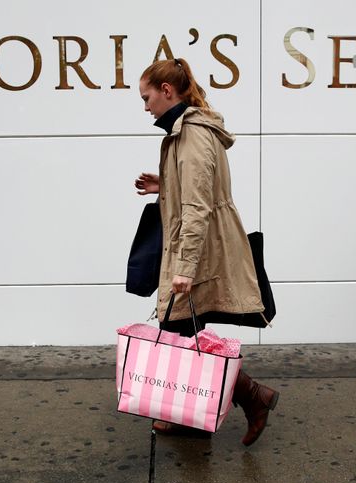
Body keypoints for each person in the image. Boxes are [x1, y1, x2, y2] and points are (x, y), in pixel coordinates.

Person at [134, 58, 279, 446]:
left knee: (179, 333)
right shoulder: (187, 132)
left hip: (198, 251)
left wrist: (184, 268)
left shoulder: (193, 134)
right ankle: (192, 415)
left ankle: (253, 396)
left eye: (147, 97)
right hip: (197, 246)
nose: (145, 107)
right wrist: (165, 185)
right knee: (183, 333)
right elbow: (196, 189)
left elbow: (197, 208)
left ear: (167, 91)